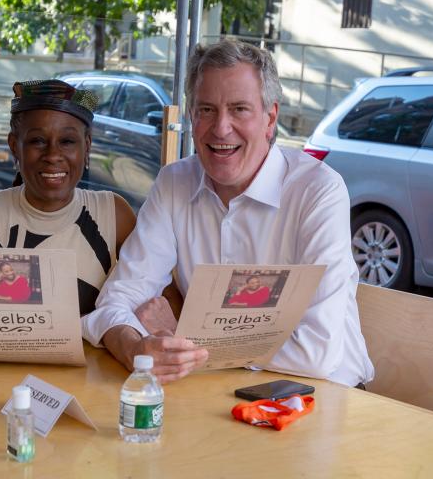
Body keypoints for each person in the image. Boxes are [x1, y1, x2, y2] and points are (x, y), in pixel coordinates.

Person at [82, 40, 375, 387]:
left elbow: (317, 353)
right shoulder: (175, 182)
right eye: (207, 109)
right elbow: (117, 300)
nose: (221, 128)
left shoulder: (318, 191)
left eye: (239, 109)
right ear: (192, 116)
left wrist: (184, 336)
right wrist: (134, 348)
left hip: (330, 397)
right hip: (218, 389)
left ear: (271, 118)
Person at [0, 79, 151, 368]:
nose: (53, 155)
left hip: (86, 385)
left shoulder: (113, 214)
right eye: (37, 141)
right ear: (14, 146)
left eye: (67, 141)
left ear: (88, 147)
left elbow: (147, 301)